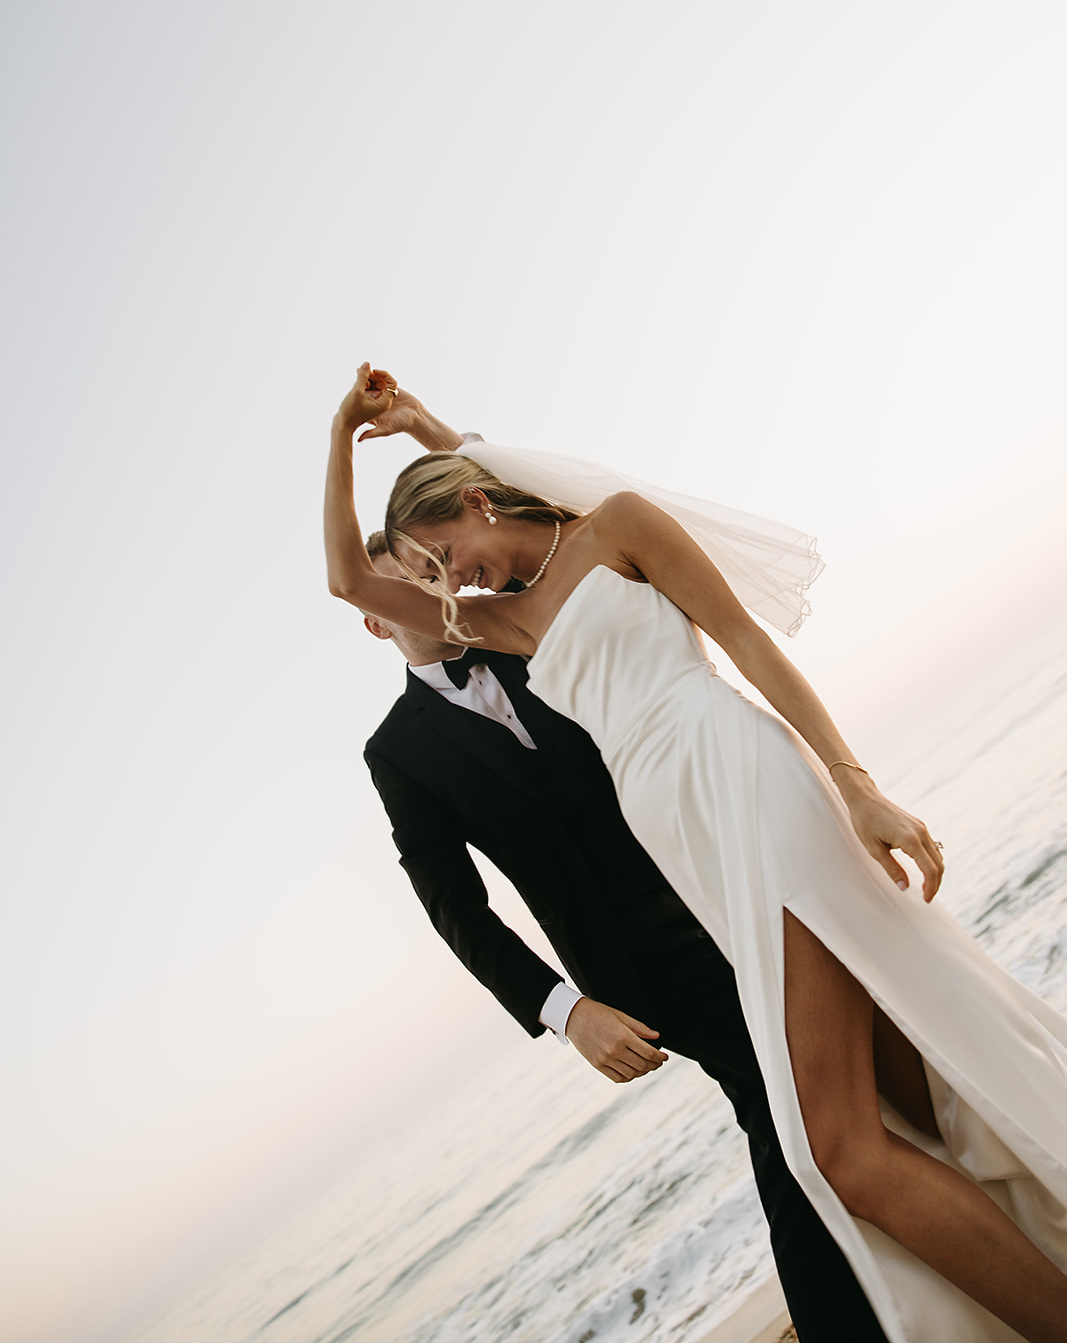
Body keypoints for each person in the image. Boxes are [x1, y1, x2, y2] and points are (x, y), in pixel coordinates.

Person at [326, 365, 1067, 1343]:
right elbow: (350, 580)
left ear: (472, 498)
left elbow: (748, 646)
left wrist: (855, 787)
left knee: (829, 1149)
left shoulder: (618, 527)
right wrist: (360, 440)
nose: (450, 582)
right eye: (434, 575)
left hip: (745, 784)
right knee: (901, 1091)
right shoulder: (502, 619)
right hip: (686, 841)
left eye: (448, 554)